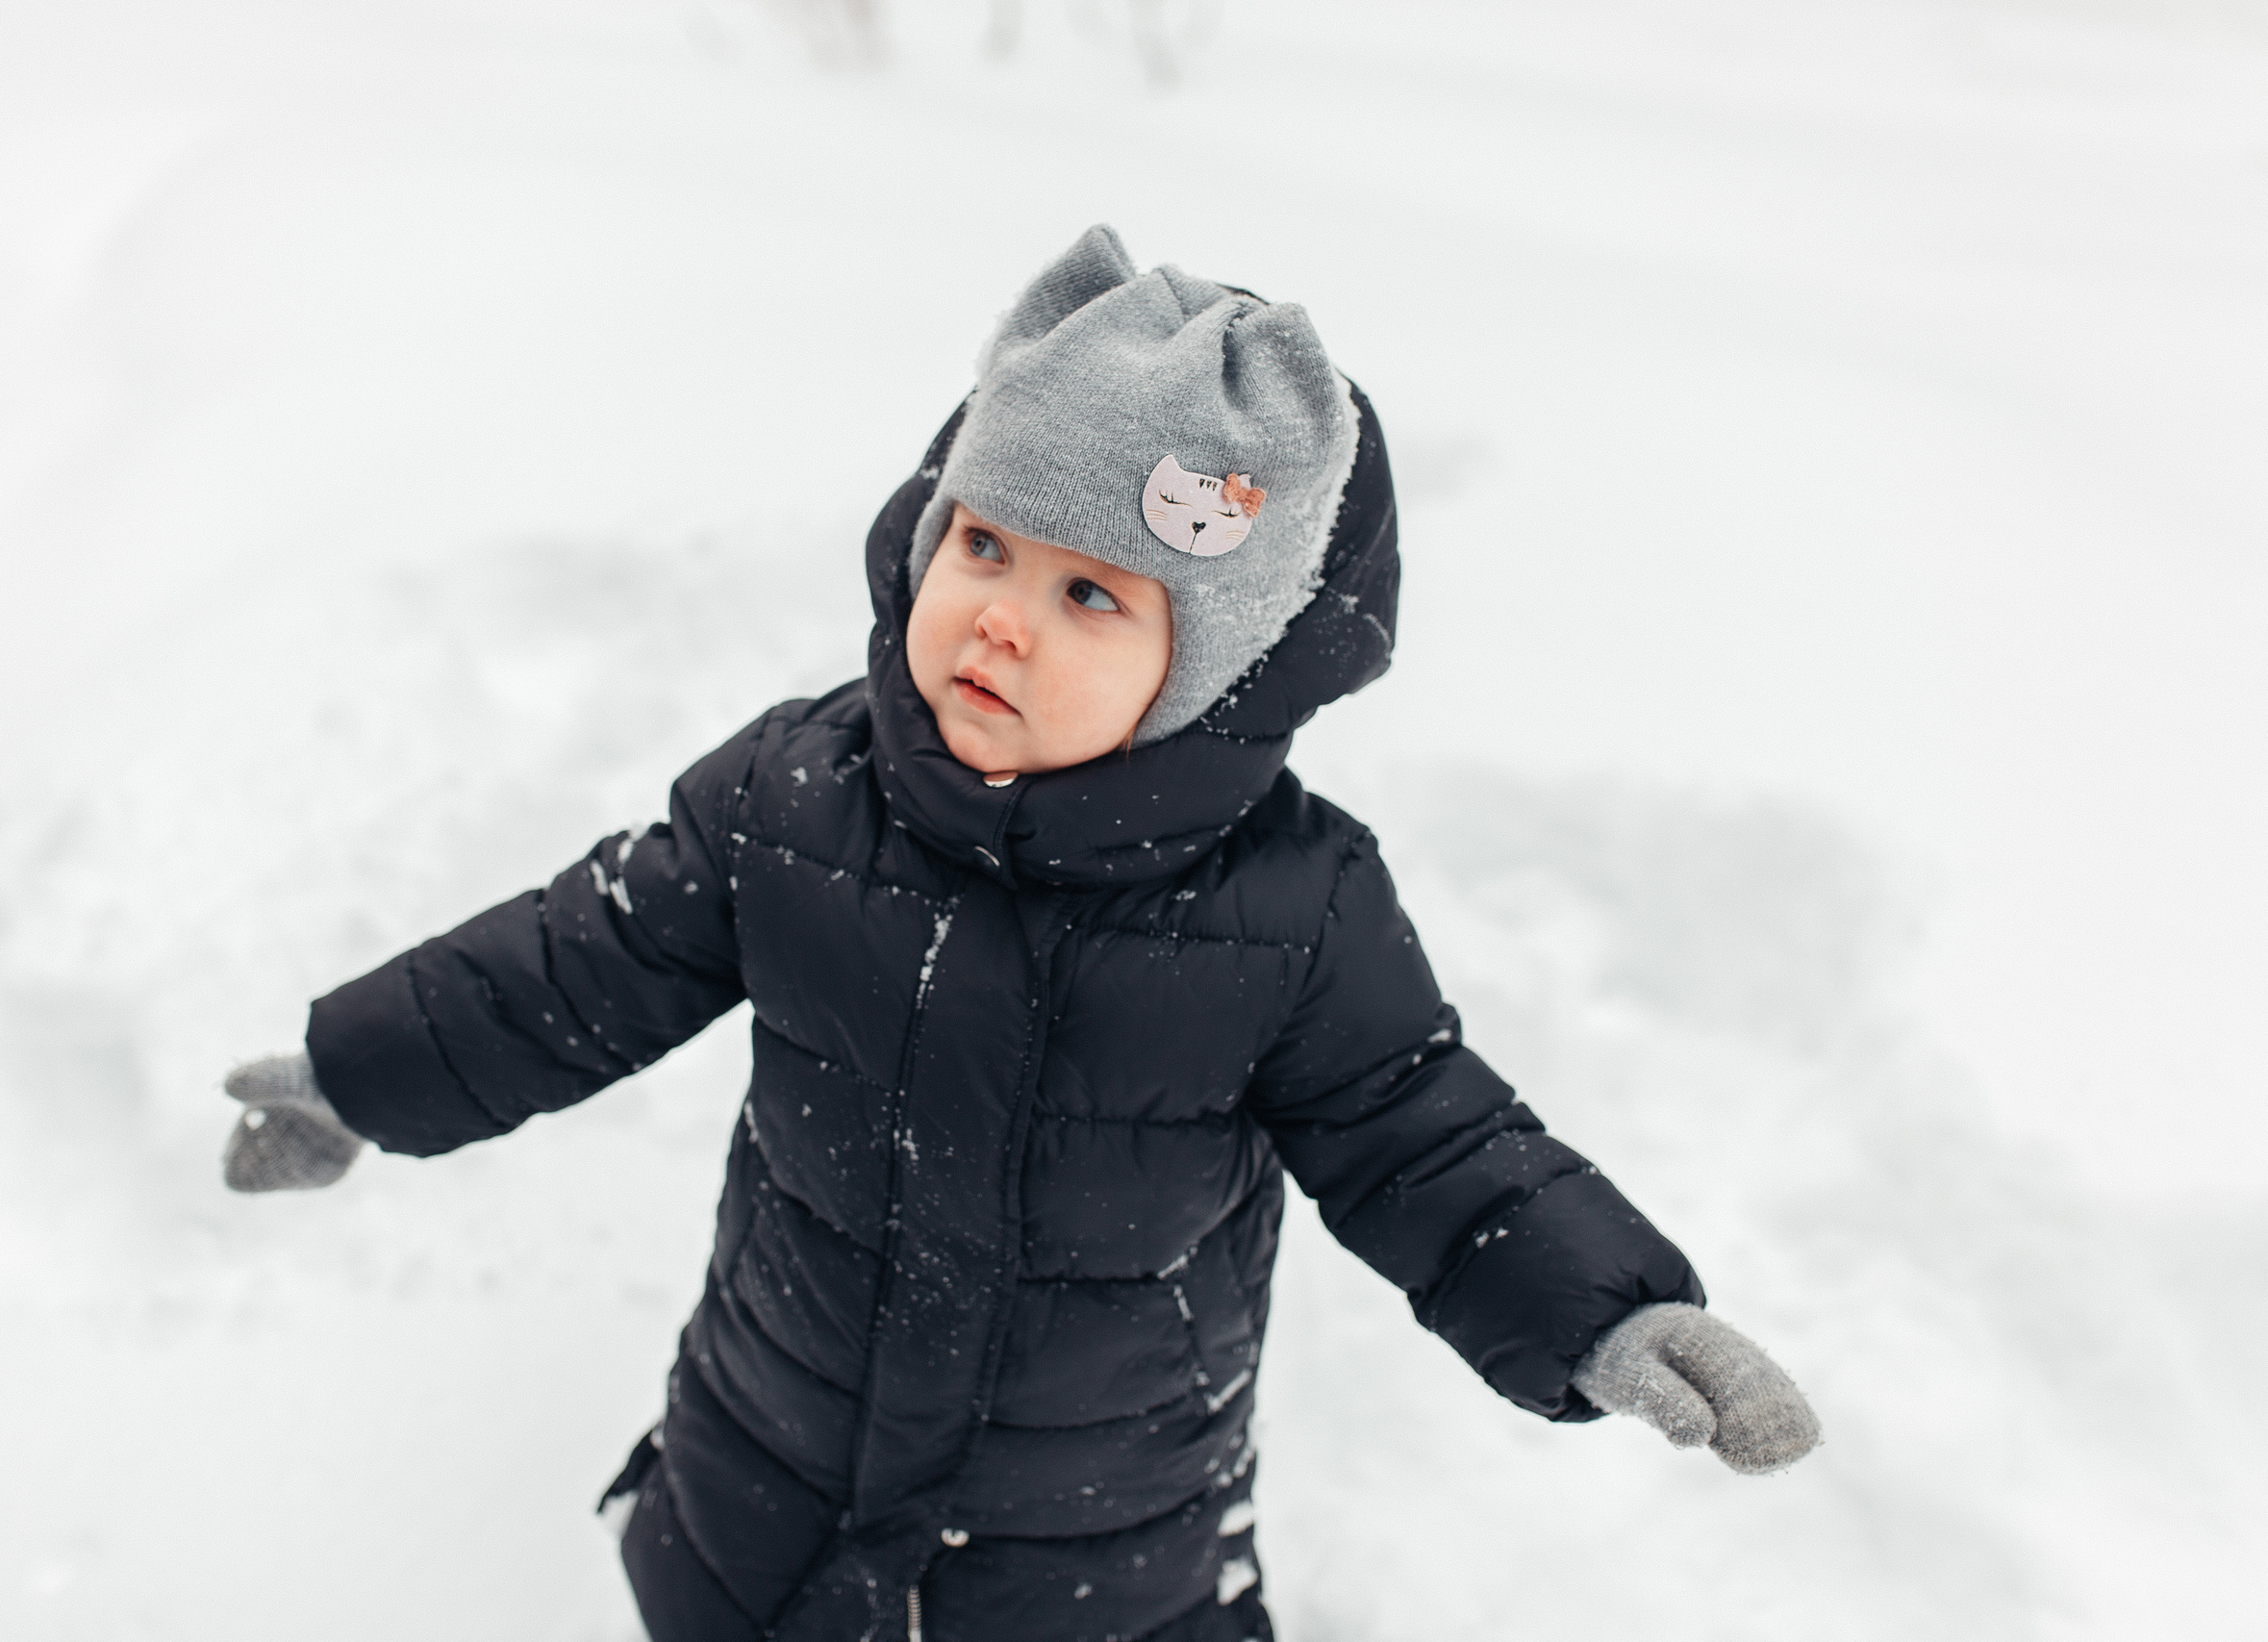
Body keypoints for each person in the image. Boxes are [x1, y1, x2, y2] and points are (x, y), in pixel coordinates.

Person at [219, 226, 1820, 1642]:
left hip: (1095, 1527)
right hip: (774, 1445)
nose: (1002, 616)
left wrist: (1608, 1310)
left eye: (1095, 597)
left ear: (1221, 673)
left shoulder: (1294, 911)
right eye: (986, 546)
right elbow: (574, 962)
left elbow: (1428, 1138)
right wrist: (352, 1075)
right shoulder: (797, 794)